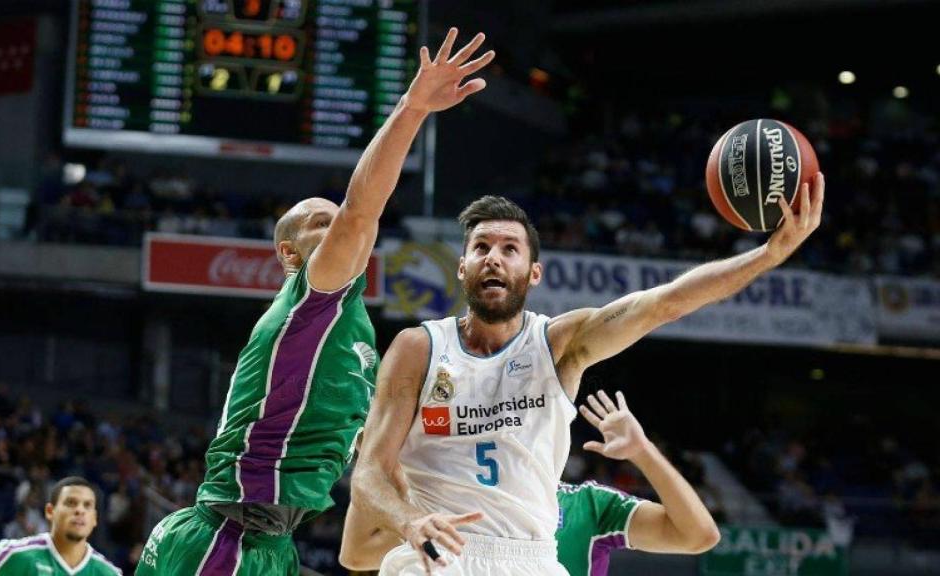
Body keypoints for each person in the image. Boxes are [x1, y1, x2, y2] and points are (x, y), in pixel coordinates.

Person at [136, 27, 495, 576]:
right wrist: (412, 107)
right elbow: (360, 210)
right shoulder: (311, 301)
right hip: (227, 533)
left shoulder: (349, 326)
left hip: (272, 540)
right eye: (317, 225)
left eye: (334, 224)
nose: (335, 232)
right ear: (288, 252)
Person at [352, 177, 824, 574]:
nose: (493, 257)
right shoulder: (419, 348)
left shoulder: (560, 344)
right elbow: (370, 471)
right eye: (481, 247)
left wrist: (767, 255)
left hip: (531, 558)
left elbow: (667, 302)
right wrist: (409, 520)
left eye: (509, 249)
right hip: (439, 555)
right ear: (462, 268)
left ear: (533, 272)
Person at [340, 390, 720, 575]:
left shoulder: (588, 505)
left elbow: (698, 535)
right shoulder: (459, 509)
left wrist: (643, 452)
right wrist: (379, 458)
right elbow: (357, 554)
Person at [0, 476, 121, 575]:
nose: (80, 510)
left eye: (87, 505)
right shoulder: (14, 555)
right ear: (50, 511)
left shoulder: (109, 572)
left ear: (94, 518)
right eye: (71, 503)